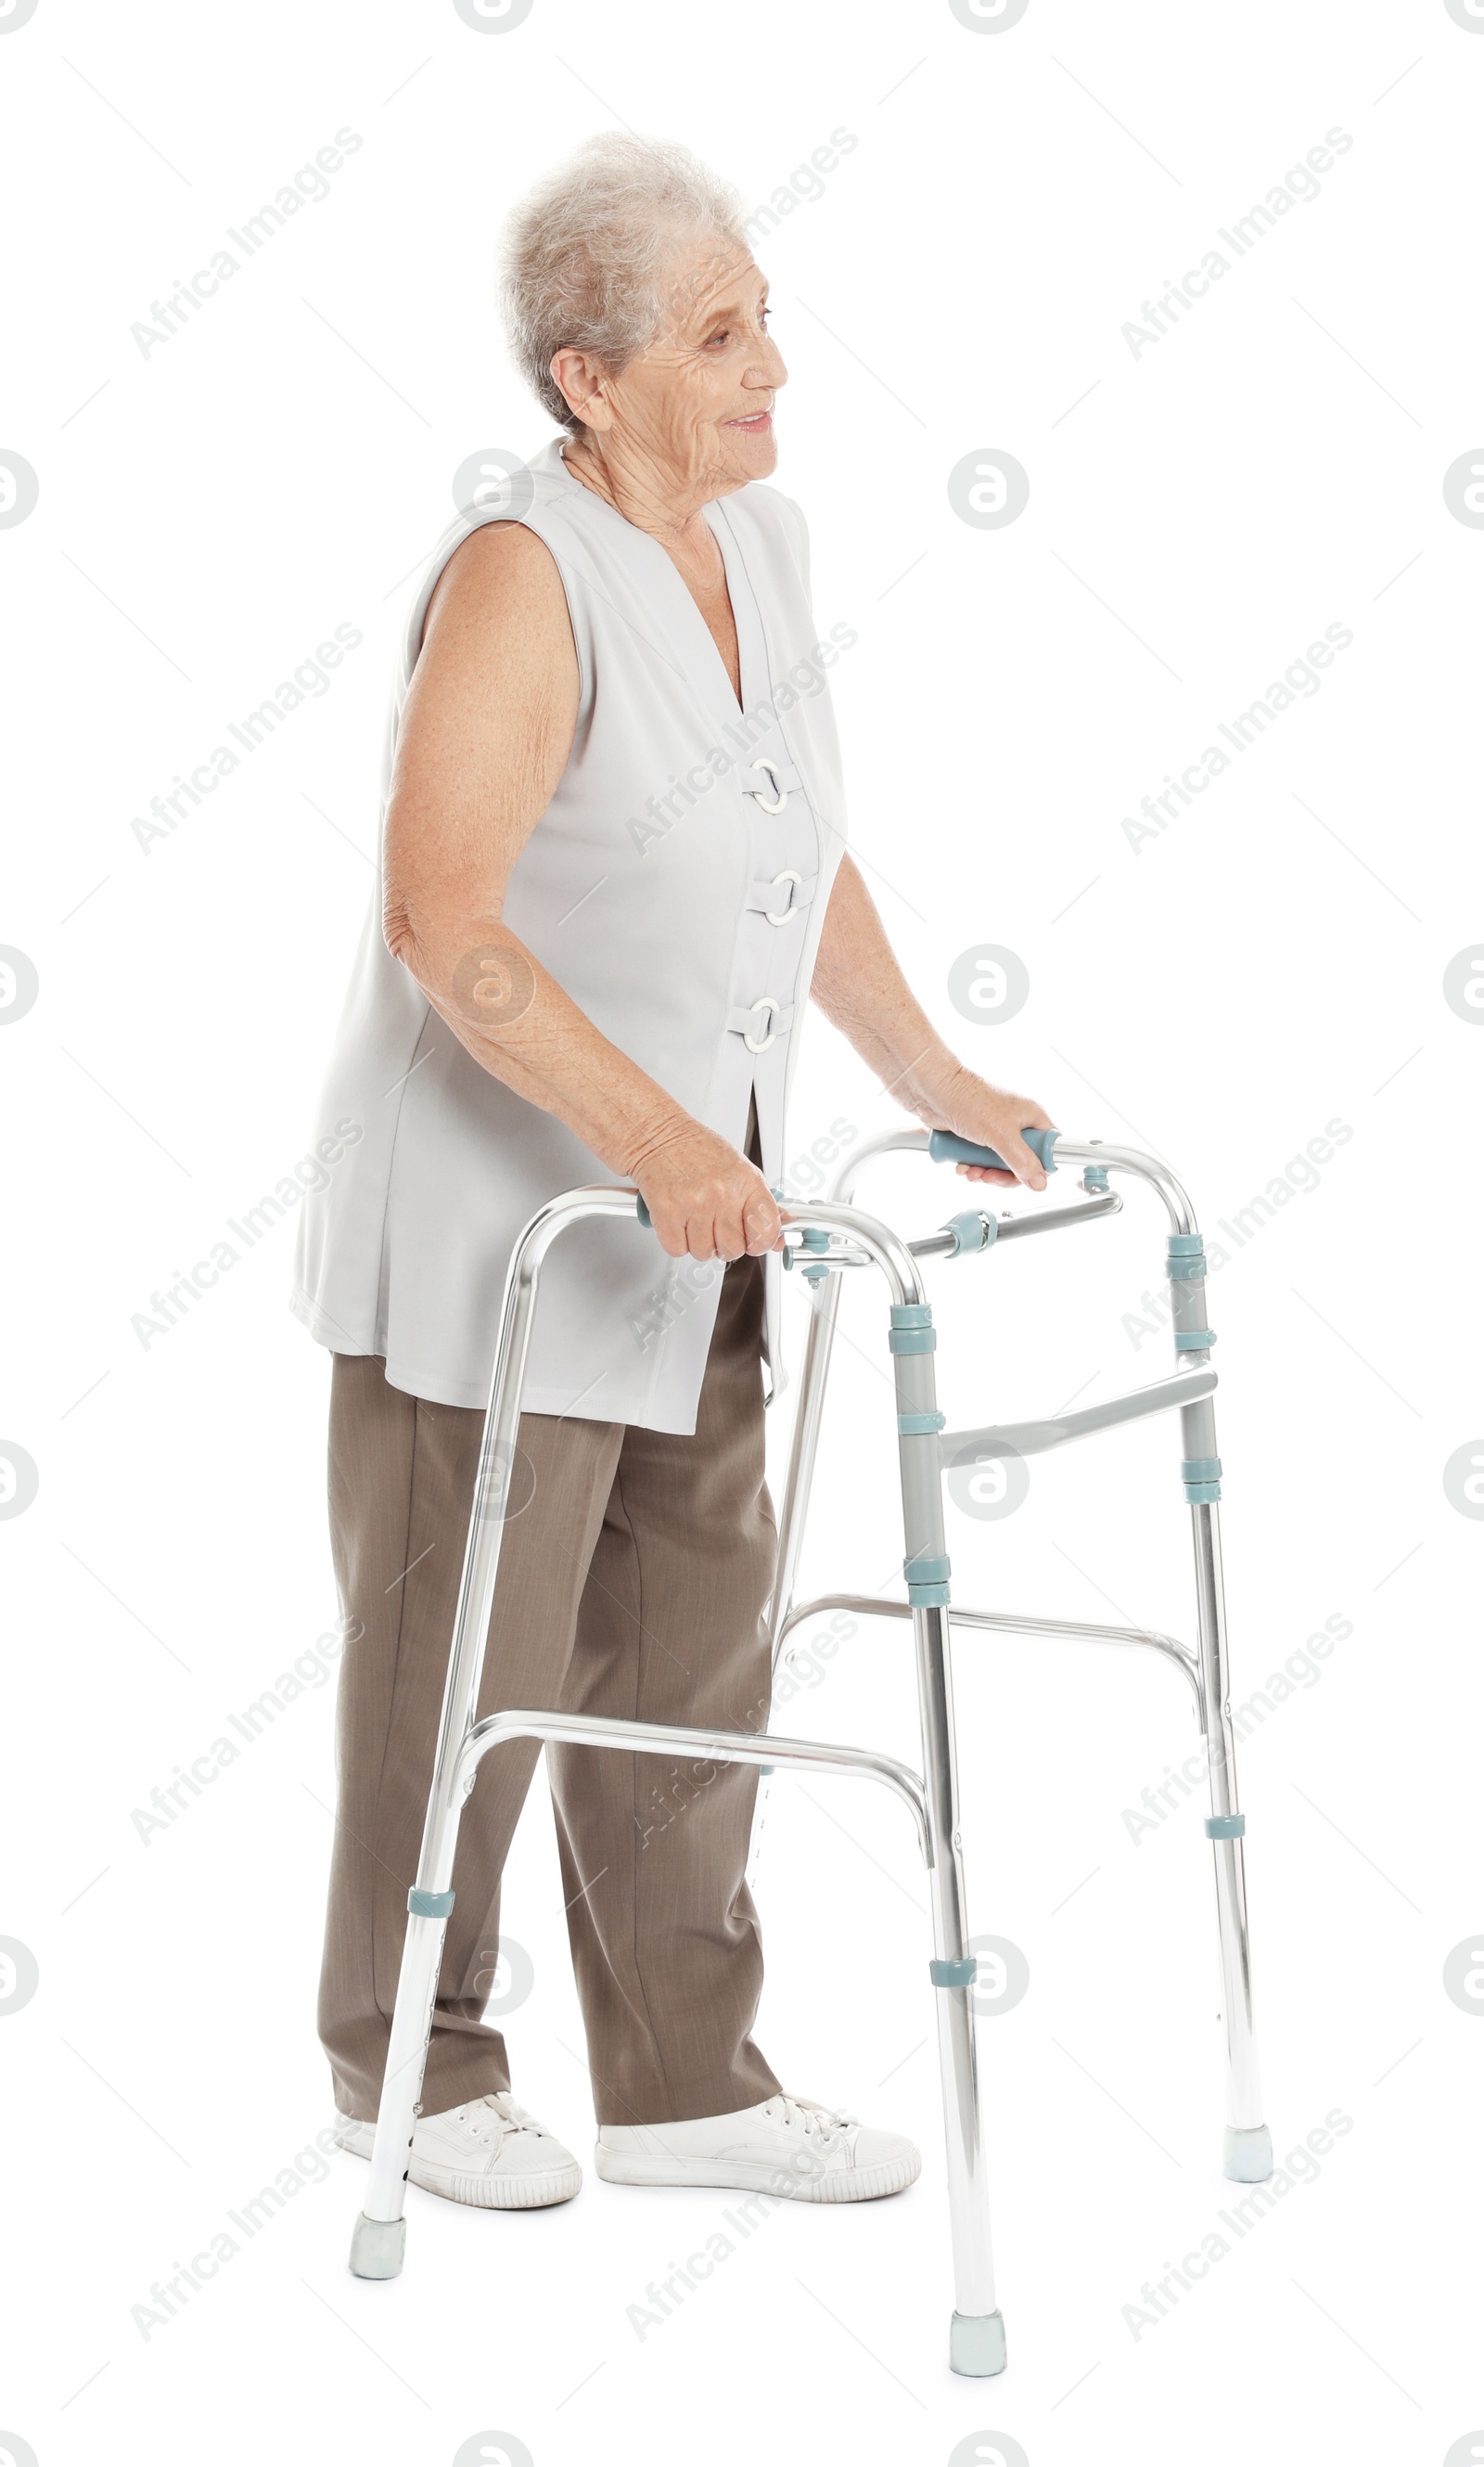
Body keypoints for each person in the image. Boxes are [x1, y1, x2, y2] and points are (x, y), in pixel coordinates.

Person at [293, 131, 1051, 2215]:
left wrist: (935, 1073)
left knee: (685, 1663)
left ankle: (682, 2076)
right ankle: (415, 2068)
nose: (771, 367)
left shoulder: (767, 543)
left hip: (703, 1224)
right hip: (500, 1238)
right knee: (465, 1665)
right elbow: (443, 916)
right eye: (718, 336)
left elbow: (792, 850)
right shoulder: (524, 575)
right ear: (585, 380)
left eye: (765, 313)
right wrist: (649, 1148)